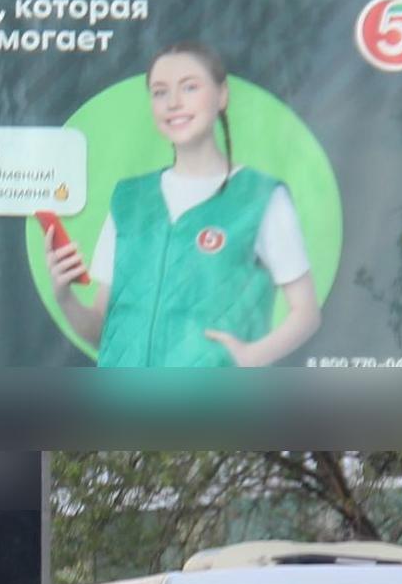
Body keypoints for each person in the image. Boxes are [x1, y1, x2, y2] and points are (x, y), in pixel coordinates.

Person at [40, 43, 324, 371]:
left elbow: (306, 313)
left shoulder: (261, 197)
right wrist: (65, 296)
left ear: (222, 95)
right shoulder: (129, 199)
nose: (173, 102)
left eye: (189, 87)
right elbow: (102, 332)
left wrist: (251, 356)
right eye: (160, 92)